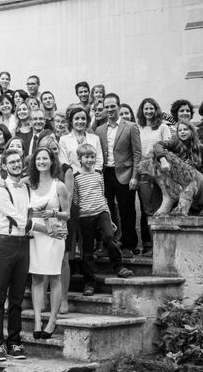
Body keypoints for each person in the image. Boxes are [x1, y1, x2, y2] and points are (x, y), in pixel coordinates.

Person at [0, 149, 47, 361]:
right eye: (11, 162)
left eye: (18, 162)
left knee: (16, 297)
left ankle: (14, 342)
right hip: (4, 242)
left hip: (23, 244)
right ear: (4, 166)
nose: (15, 165)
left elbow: (32, 210)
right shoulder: (0, 189)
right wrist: (45, 229)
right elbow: (17, 218)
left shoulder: (25, 188)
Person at [73, 144, 134, 297]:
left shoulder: (99, 174)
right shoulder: (76, 177)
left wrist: (108, 215)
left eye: (92, 157)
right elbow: (75, 199)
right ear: (79, 159)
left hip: (101, 212)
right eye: (86, 157)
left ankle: (118, 266)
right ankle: (89, 282)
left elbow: (102, 195)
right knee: (87, 250)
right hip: (85, 215)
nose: (89, 160)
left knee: (109, 236)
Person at [28, 147, 69, 338]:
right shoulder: (29, 184)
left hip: (54, 232)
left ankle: (52, 320)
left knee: (54, 276)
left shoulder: (59, 185)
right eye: (38, 159)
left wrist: (53, 213)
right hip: (35, 233)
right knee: (36, 277)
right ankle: (37, 320)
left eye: (45, 158)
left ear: (52, 161)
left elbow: (67, 214)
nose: (41, 161)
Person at [96, 93, 142, 257]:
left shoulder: (130, 127)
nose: (109, 110)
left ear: (118, 106)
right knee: (106, 211)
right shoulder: (99, 130)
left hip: (125, 173)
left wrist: (135, 176)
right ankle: (110, 244)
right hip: (106, 173)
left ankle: (129, 244)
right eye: (106, 107)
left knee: (127, 210)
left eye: (112, 106)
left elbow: (137, 154)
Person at [136, 97, 171, 256]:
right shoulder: (138, 128)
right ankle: (151, 246)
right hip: (144, 172)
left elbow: (169, 148)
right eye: (146, 109)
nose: (148, 111)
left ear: (156, 110)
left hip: (160, 172)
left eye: (151, 108)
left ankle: (162, 246)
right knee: (147, 210)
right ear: (142, 111)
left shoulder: (163, 127)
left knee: (161, 208)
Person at [59, 106, 103, 173]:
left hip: (93, 178)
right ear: (71, 121)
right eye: (76, 118)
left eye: (83, 118)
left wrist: (92, 175)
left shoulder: (95, 138)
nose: (80, 121)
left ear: (87, 121)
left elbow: (99, 161)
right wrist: (78, 176)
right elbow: (64, 162)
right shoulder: (63, 140)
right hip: (73, 178)